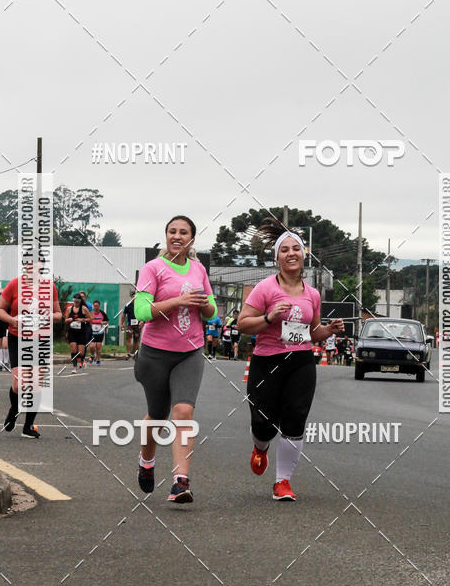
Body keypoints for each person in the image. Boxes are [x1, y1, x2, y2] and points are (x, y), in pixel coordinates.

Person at [238, 219, 344, 501]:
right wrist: (269, 317)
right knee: (263, 422)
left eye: (295, 248)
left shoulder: (313, 294)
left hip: (301, 362)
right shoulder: (265, 288)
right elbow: (242, 324)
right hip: (267, 361)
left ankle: (282, 482)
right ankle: (260, 448)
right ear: (277, 258)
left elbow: (313, 332)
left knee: (295, 418)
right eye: (284, 250)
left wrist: (329, 331)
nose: (291, 253)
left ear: (304, 253)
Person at [133, 215, 217, 503]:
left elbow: (212, 312)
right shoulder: (153, 268)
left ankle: (181, 481)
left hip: (189, 352)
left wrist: (205, 303)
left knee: (183, 411)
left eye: (184, 232)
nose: (177, 236)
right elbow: (142, 312)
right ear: (166, 236)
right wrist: (178, 301)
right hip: (154, 354)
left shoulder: (198, 269)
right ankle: (146, 461)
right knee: (157, 416)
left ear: (192, 240)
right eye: (172, 231)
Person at [0, 269, 61, 438]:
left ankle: (28, 426)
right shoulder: (15, 284)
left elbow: (59, 314)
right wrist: (12, 320)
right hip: (18, 338)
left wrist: (49, 316)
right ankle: (15, 409)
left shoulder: (49, 286)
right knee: (19, 384)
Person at [64, 293, 91, 373]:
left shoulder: (84, 308)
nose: (76, 303)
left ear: (80, 301)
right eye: (75, 301)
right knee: (73, 349)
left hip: (81, 332)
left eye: (77, 301)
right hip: (72, 332)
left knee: (81, 352)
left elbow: (90, 318)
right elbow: (65, 320)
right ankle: (74, 367)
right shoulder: (69, 309)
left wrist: (82, 320)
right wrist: (68, 320)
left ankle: (82, 361)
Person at [122, 293, 143, 360]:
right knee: (128, 338)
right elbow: (124, 315)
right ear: (131, 297)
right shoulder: (128, 305)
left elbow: (143, 314)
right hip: (129, 325)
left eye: (136, 296)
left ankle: (135, 354)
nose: (134, 297)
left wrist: (142, 321)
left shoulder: (140, 305)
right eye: (133, 296)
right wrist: (122, 324)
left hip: (137, 325)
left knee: (136, 339)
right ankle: (128, 353)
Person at [88, 299, 109, 365]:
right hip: (92, 332)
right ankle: (92, 355)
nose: (95, 307)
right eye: (94, 306)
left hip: (100, 332)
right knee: (91, 346)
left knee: (98, 346)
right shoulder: (90, 313)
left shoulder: (102, 313)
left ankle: (98, 359)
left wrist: (102, 322)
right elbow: (87, 319)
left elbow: (107, 321)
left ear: (99, 306)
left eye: (97, 306)